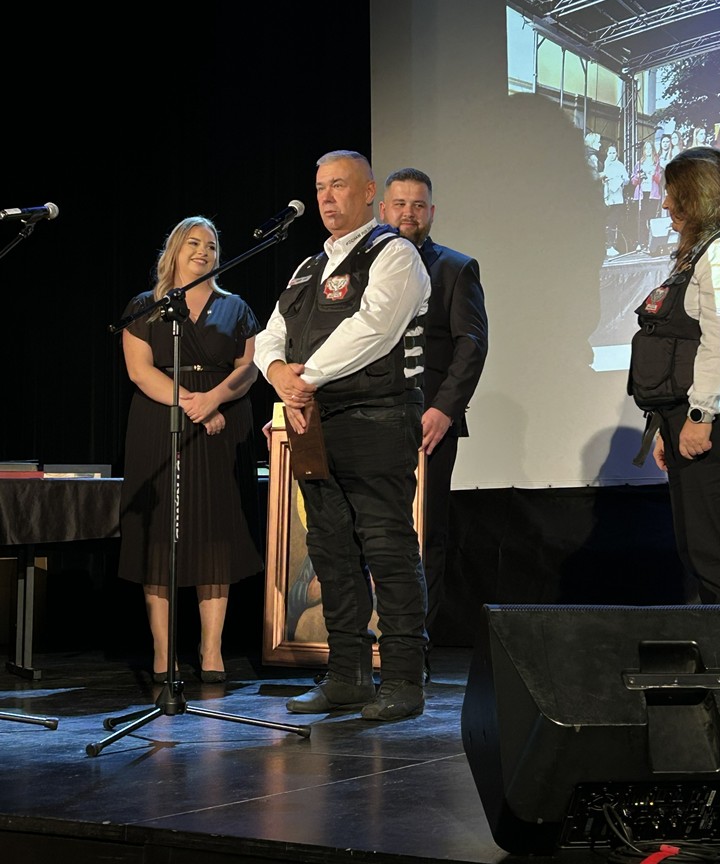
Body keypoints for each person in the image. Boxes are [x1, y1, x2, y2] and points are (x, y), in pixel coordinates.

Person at [253, 150, 431, 722]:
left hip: (376, 417)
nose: (327, 197)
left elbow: (373, 328)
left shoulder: (394, 253)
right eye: (321, 187)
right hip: (314, 422)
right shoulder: (309, 267)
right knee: (330, 550)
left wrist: (304, 378)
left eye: (339, 185)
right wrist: (278, 373)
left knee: (387, 547)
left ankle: (402, 679)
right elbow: (270, 333)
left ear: (369, 192)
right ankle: (347, 676)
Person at [118, 216, 263, 683]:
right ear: (175, 251)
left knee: (215, 533)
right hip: (159, 420)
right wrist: (192, 404)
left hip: (222, 423)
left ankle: (211, 649)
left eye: (212, 245)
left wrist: (213, 400)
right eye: (194, 243)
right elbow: (140, 371)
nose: (204, 252)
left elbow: (248, 368)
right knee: (160, 537)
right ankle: (163, 653)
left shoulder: (236, 307)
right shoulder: (146, 306)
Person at [628, 147, 720, 603]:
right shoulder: (701, 253)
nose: (666, 203)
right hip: (696, 416)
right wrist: (669, 423)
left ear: (699, 196)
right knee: (700, 552)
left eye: (673, 193)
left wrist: (701, 415)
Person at [379, 168, 488, 677]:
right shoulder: (363, 268)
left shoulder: (456, 268)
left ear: (432, 212)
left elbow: (472, 344)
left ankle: (411, 651)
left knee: (424, 536)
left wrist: (445, 408)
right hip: (367, 421)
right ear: (383, 209)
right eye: (400, 204)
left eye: (418, 205)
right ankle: (363, 649)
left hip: (428, 425)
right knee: (371, 534)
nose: (408, 213)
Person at [598, 145, 629, 257]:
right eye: (610, 153)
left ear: (617, 154)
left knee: (614, 221)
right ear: (607, 154)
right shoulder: (604, 164)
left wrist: (621, 180)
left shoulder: (620, 165)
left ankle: (613, 245)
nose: (612, 155)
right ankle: (608, 246)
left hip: (617, 197)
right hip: (608, 197)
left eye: (614, 153)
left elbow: (627, 179)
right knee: (608, 221)